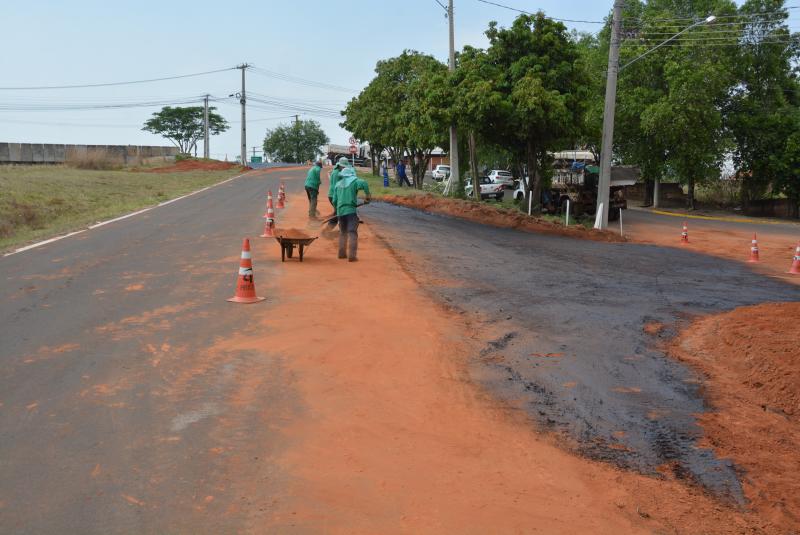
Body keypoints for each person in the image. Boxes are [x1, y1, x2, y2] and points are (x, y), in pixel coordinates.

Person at [331, 166, 371, 262]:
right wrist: (368, 196)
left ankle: (341, 254)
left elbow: (334, 200)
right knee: (352, 232)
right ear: (351, 175)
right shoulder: (354, 182)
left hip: (340, 212)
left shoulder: (337, 184)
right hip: (351, 211)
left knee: (343, 232)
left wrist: (338, 209)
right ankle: (352, 256)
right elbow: (364, 183)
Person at [326, 156, 350, 228]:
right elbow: (338, 187)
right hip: (334, 195)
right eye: (344, 167)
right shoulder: (337, 173)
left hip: (332, 194)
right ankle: (327, 231)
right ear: (340, 165)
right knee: (338, 213)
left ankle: (335, 229)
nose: (344, 168)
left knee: (337, 212)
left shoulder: (335, 171)